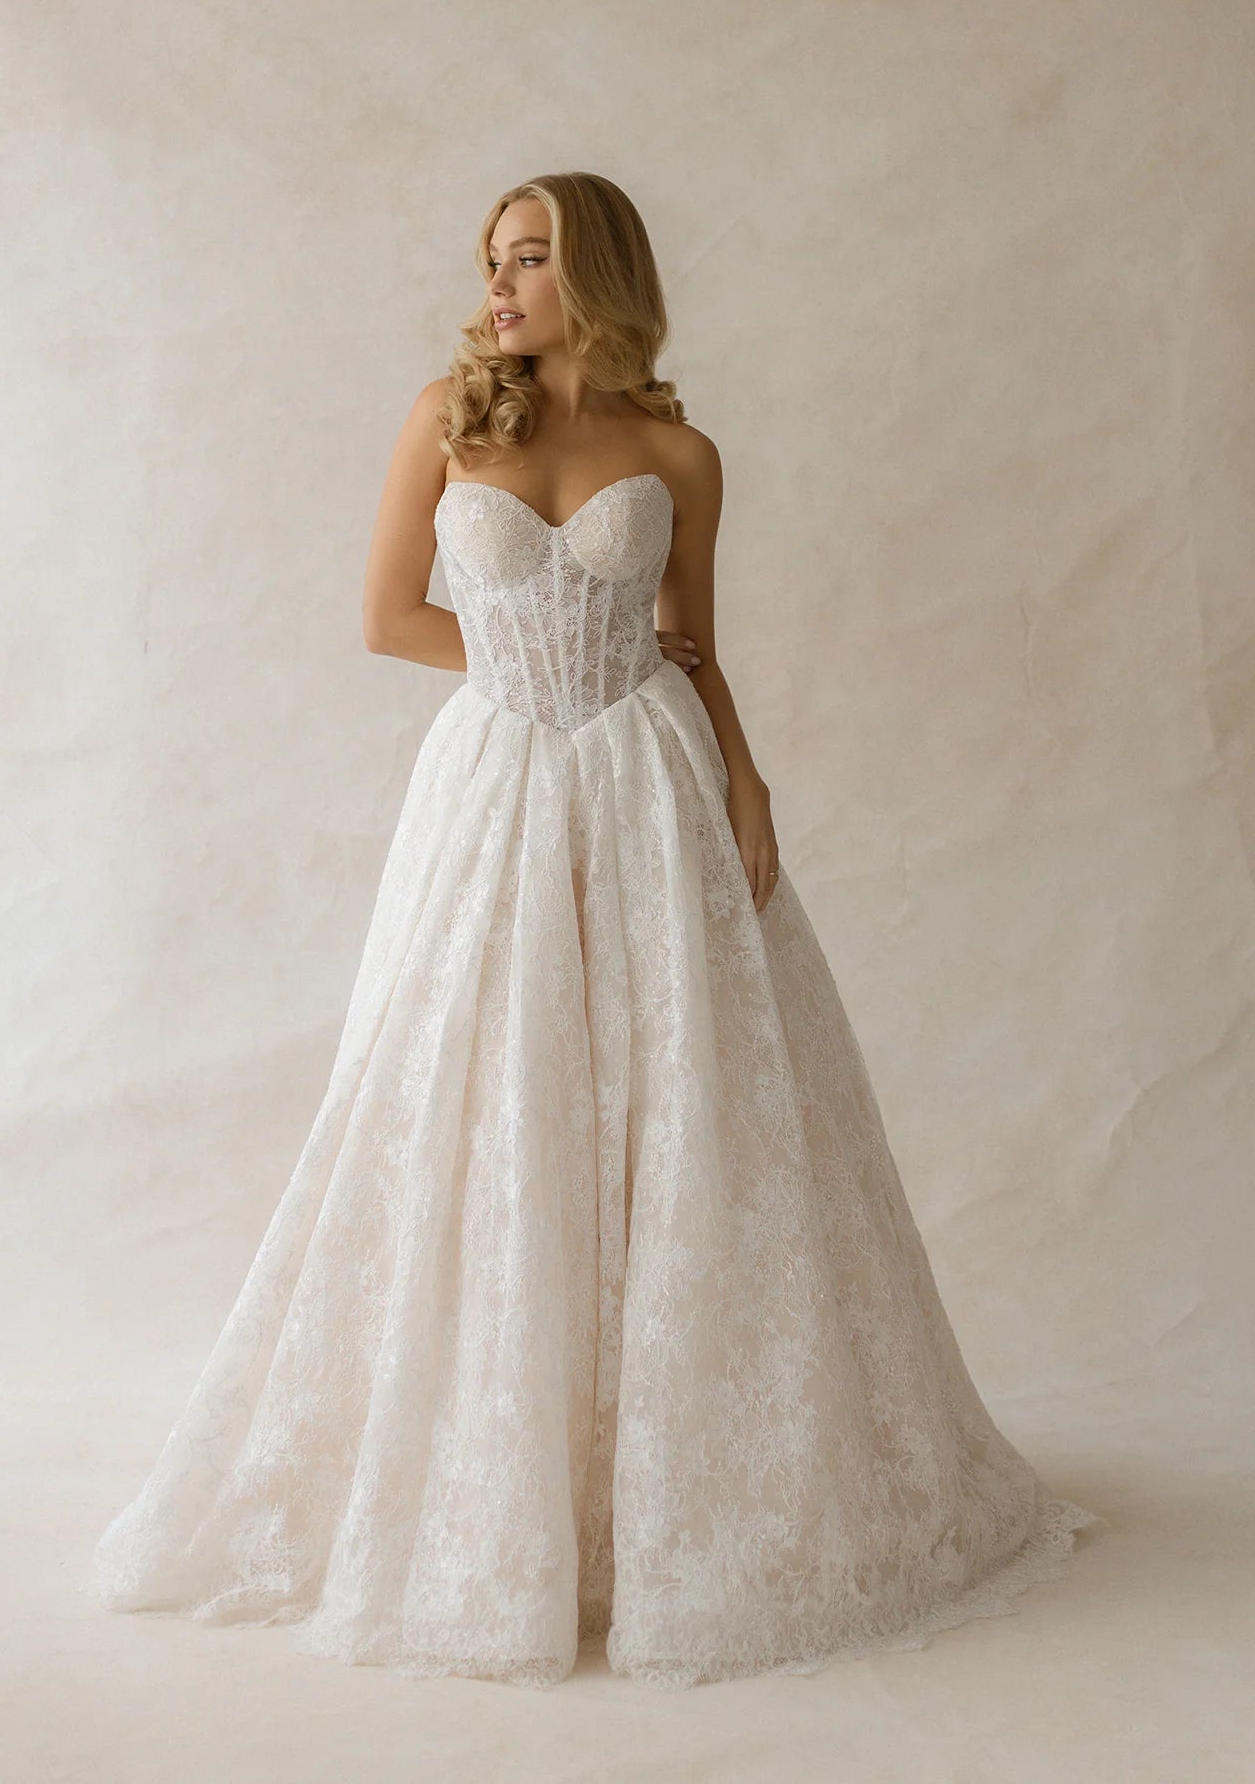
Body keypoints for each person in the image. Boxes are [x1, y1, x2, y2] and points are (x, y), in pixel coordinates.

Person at [87, 170, 1099, 1689]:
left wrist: (746, 774)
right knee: (475, 1094)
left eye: (531, 258)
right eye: (493, 261)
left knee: (675, 1101)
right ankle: (501, 1485)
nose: (500, 286)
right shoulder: (451, 415)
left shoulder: (678, 451)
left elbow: (693, 640)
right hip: (497, 781)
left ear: (598, 270)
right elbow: (385, 614)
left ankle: (673, 1503)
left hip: (649, 779)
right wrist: (519, 661)